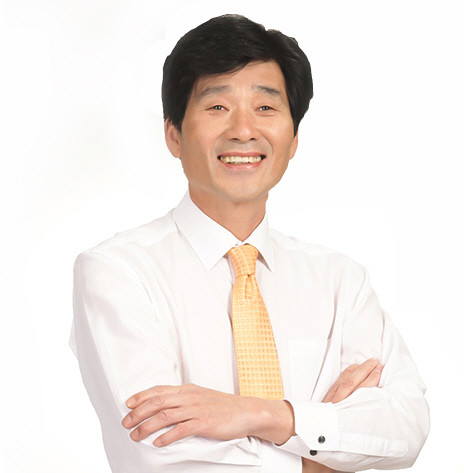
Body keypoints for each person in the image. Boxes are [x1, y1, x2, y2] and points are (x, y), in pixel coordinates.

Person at [70, 14, 429, 473]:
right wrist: (321, 456)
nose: (243, 130)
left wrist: (265, 415)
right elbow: (163, 453)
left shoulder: (340, 280)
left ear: (293, 138)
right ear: (173, 134)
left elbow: (405, 428)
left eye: (265, 107)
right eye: (218, 106)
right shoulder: (119, 272)